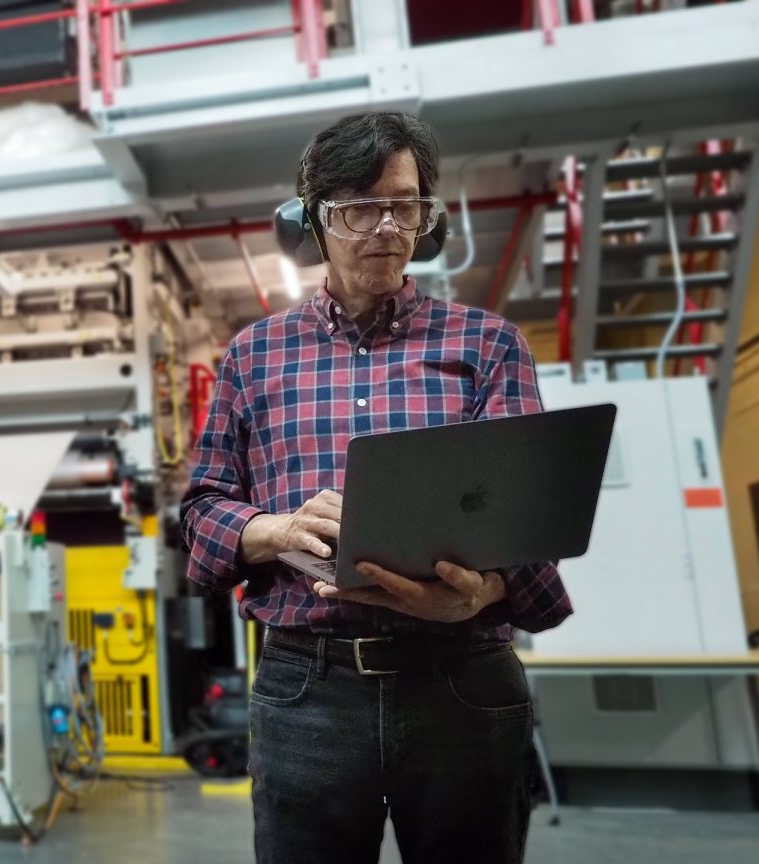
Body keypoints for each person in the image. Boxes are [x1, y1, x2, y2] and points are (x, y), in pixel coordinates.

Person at [181, 111, 571, 864]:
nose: (386, 226)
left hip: (462, 679)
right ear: (312, 219)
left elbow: (527, 516)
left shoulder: (488, 345)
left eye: (406, 204)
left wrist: (481, 595)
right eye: (360, 207)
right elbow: (201, 513)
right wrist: (278, 531)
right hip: (308, 689)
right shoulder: (252, 357)